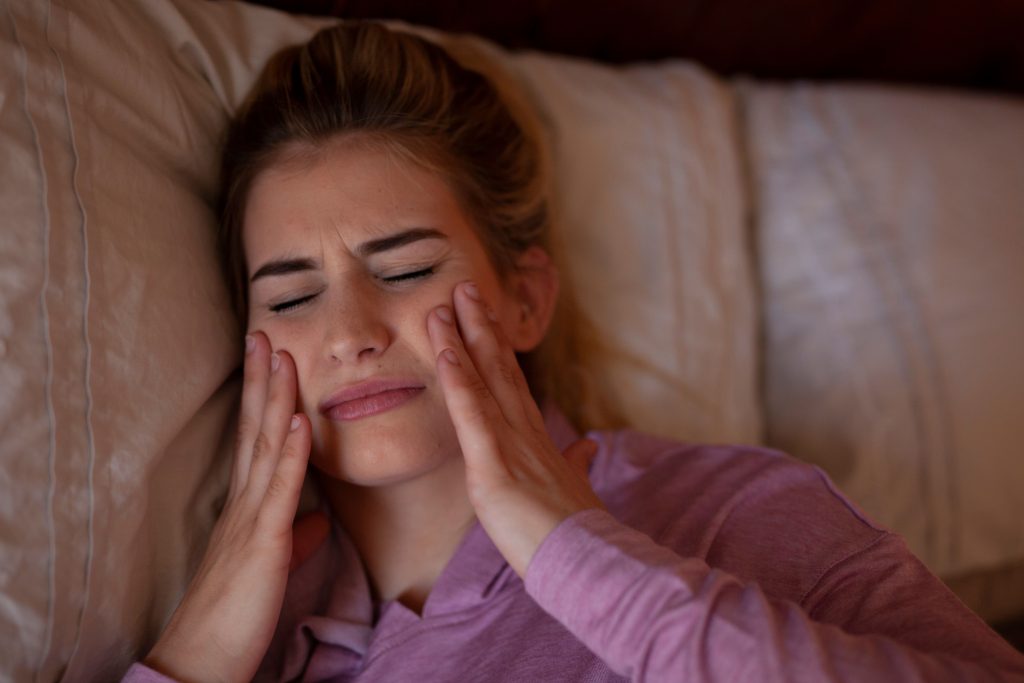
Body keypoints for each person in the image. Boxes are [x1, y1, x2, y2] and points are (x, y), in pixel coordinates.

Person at [123, 21, 1024, 683]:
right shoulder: (257, 634)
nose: (351, 332)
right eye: (291, 295)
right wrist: (195, 653)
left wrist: (567, 549)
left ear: (525, 299)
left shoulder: (727, 513)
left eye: (402, 269)